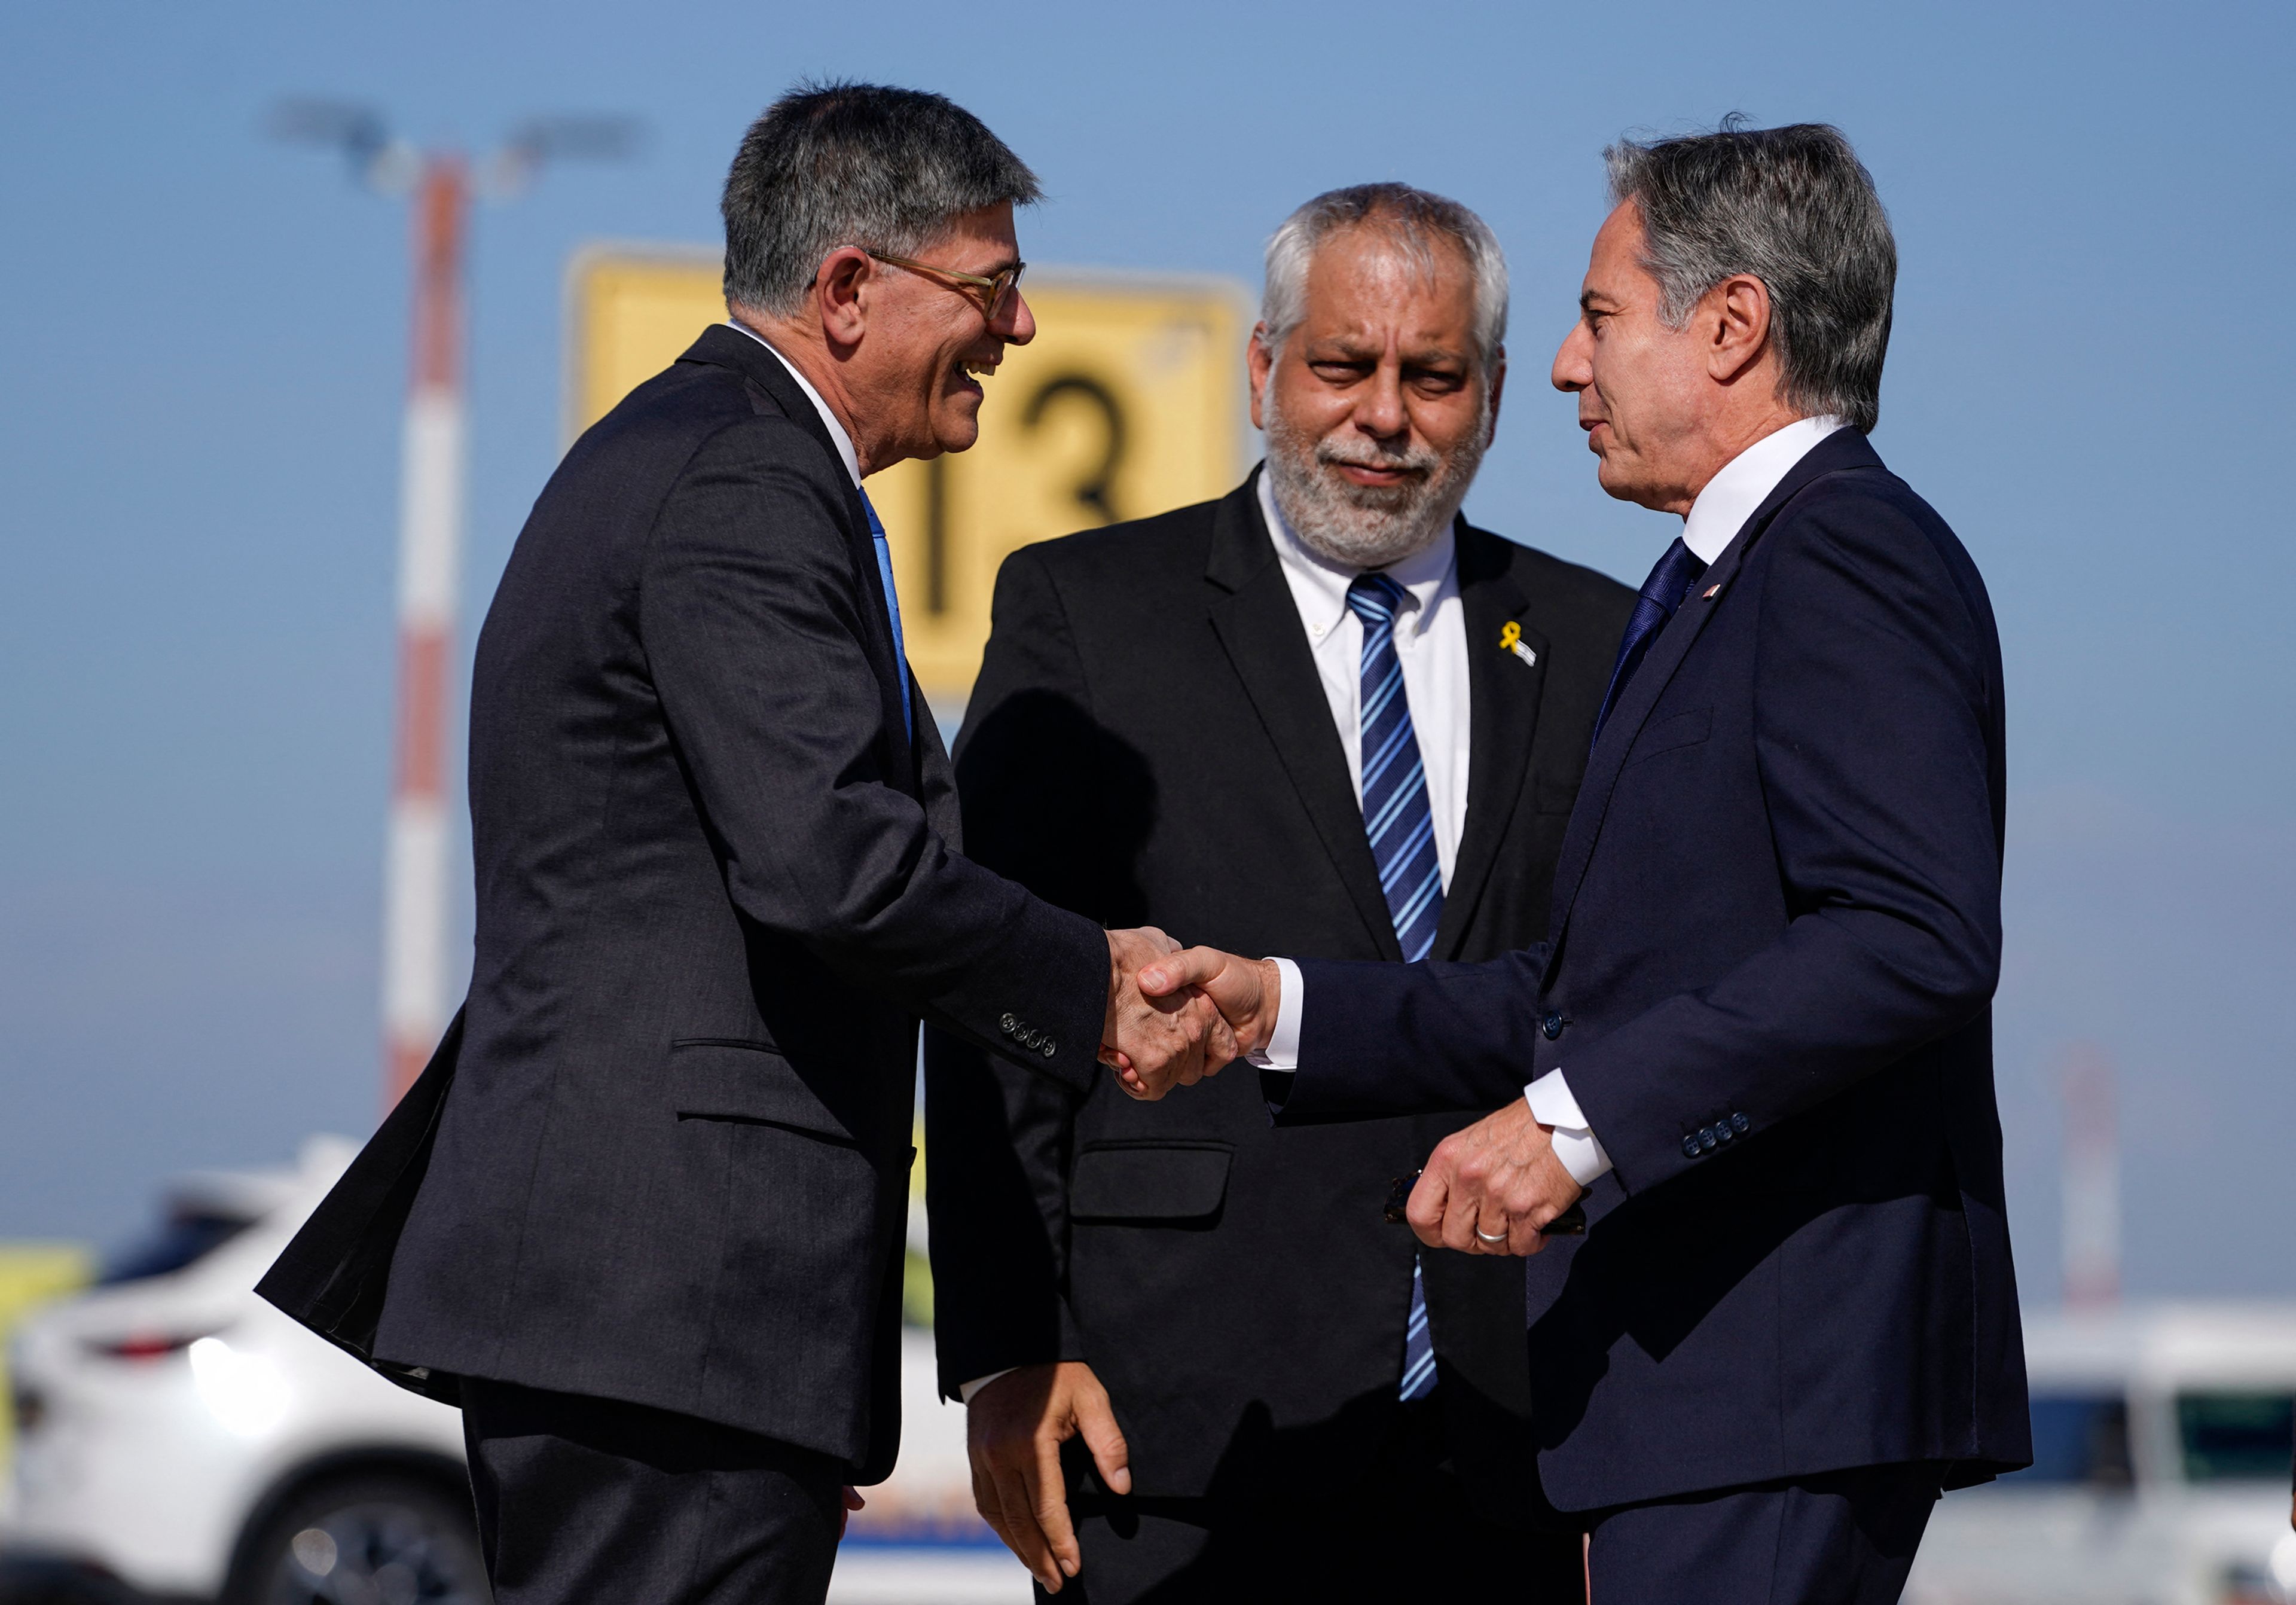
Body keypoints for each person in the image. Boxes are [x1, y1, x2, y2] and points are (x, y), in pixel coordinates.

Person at [258, 82, 1220, 1605]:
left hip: (675, 1324)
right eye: (992, 286)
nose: (1021, 329)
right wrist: (1091, 983)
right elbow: (831, 860)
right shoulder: (746, 480)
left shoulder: (709, 457)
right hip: (666, 1311)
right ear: (849, 290)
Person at [1143, 123, 2032, 1603]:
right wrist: (1279, 1009)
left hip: (1778, 1377)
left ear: (1734, 326)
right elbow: (1586, 993)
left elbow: (1913, 934)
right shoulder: (1705, 588)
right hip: (1706, 1397)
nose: (1564, 364)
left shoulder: (1839, 556)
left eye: (1603, 316)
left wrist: (1572, 1126)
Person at [926, 184, 1632, 1601]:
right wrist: (1009, 1346)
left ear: (1490, 393)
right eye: (1341, 366)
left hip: (1514, 1432)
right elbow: (994, 990)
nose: (1385, 416)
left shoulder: (1606, 638)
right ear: (1263, 370)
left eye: (1432, 378)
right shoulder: (1087, 612)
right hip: (1172, 1420)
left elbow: (1618, 998)